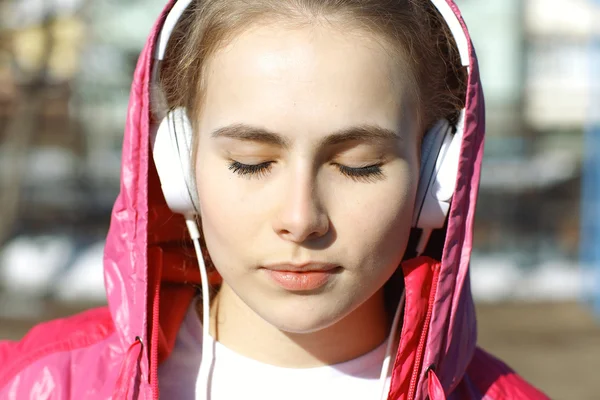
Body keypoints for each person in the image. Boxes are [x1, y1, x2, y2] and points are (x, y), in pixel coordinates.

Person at [0, 0, 549, 399]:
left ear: (438, 175)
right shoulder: (33, 385)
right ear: (177, 166)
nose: (300, 219)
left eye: (358, 166)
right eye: (251, 162)